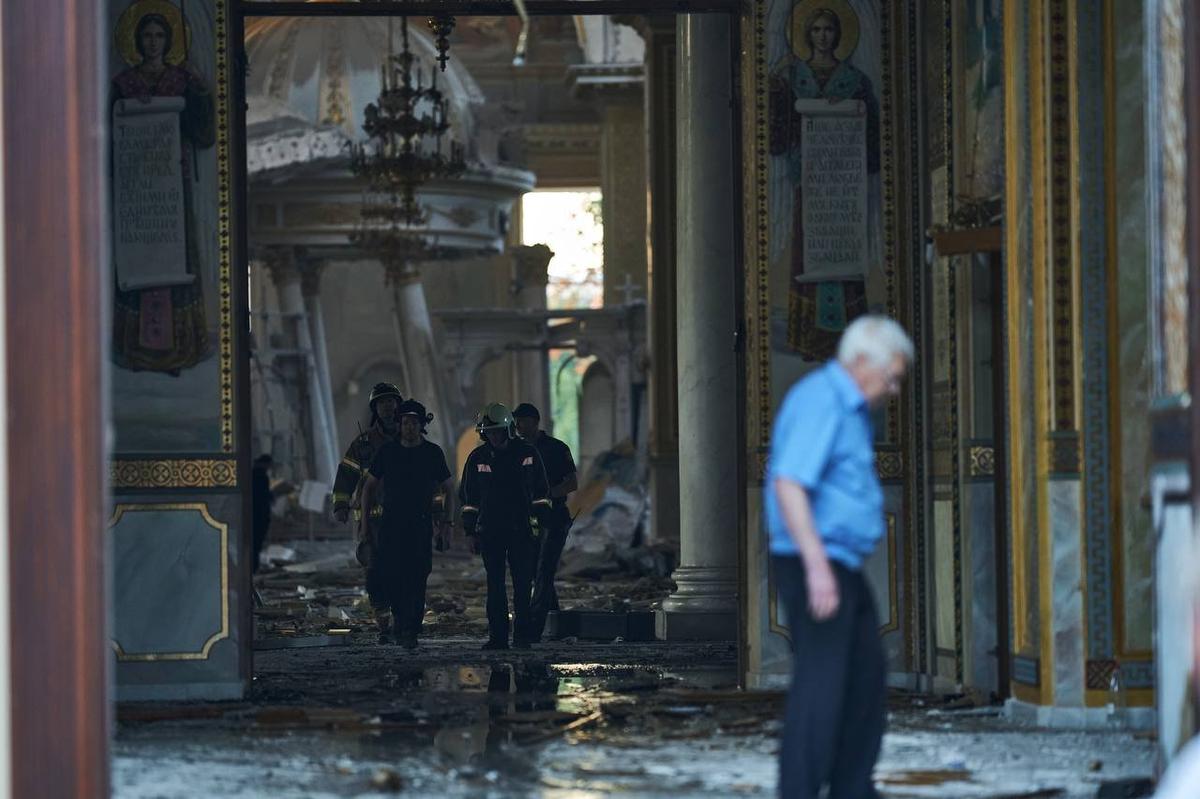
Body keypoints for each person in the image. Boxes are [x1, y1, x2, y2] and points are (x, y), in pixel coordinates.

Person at [765, 315, 911, 799]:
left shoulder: (850, 409)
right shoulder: (821, 401)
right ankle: (800, 791)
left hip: (837, 562)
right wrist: (817, 568)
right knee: (822, 682)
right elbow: (789, 484)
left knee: (865, 677)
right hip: (815, 561)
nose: (894, 389)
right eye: (891, 376)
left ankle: (852, 787)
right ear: (862, 362)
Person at [111, 11, 216, 373]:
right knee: (136, 261)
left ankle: (179, 350)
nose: (153, 42)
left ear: (168, 41)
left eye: (159, 36)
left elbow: (204, 132)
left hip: (173, 187)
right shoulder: (124, 84)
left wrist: (199, 90)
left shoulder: (181, 80)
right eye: (147, 35)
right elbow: (105, 133)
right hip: (135, 190)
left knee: (177, 260)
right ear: (137, 41)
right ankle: (135, 350)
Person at [358, 399, 452, 650]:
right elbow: (368, 488)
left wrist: (446, 523)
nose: (409, 427)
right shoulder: (388, 452)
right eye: (405, 422)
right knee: (392, 575)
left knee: (418, 575)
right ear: (399, 424)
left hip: (420, 524)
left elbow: (448, 487)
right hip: (391, 524)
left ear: (421, 425)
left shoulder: (432, 453)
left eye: (414, 422)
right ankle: (401, 622)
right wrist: (365, 525)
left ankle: (411, 629)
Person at [459, 403, 553, 650]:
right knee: (495, 585)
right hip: (490, 530)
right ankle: (498, 638)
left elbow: (541, 493)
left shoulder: (527, 453)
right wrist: (469, 532)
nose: (493, 436)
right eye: (488, 432)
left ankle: (522, 636)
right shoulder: (477, 458)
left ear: (508, 429)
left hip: (522, 530)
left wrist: (541, 525)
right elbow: (469, 498)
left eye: (497, 431)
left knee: (523, 585)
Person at [331, 382, 402, 639]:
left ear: (398, 405)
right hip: (371, 523)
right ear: (375, 408)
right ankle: (383, 622)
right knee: (374, 573)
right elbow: (346, 474)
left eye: (390, 401)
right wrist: (340, 504)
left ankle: (401, 620)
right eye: (382, 402)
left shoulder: (410, 439)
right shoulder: (363, 444)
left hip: (404, 520)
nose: (387, 406)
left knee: (403, 571)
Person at [513, 403, 578, 642]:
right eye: (516, 421)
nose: (518, 426)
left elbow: (571, 482)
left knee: (544, 569)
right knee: (534, 570)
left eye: (522, 421)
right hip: (525, 518)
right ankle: (555, 621)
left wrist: (547, 494)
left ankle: (534, 628)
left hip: (553, 517)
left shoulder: (556, 448)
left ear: (535, 421)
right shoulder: (516, 449)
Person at [250, 454, 274, 574]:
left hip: (253, 514)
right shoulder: (261, 477)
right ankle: (253, 567)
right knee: (256, 544)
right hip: (259, 515)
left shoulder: (251, 474)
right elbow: (263, 496)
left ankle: (252, 567)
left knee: (254, 544)